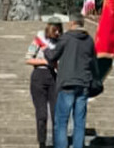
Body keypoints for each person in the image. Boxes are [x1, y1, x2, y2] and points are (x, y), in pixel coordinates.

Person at [45, 13, 98, 148]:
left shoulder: (66, 38)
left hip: (67, 83)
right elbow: (94, 62)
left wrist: (46, 50)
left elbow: (53, 56)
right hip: (84, 83)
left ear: (72, 23)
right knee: (79, 122)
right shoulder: (89, 40)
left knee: (61, 122)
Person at [25, 16, 63, 148]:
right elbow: (28, 59)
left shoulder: (61, 42)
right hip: (39, 77)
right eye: (55, 30)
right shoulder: (39, 39)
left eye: (59, 30)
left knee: (56, 113)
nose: (57, 33)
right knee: (42, 114)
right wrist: (45, 62)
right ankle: (42, 142)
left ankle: (57, 142)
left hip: (54, 78)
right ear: (49, 28)